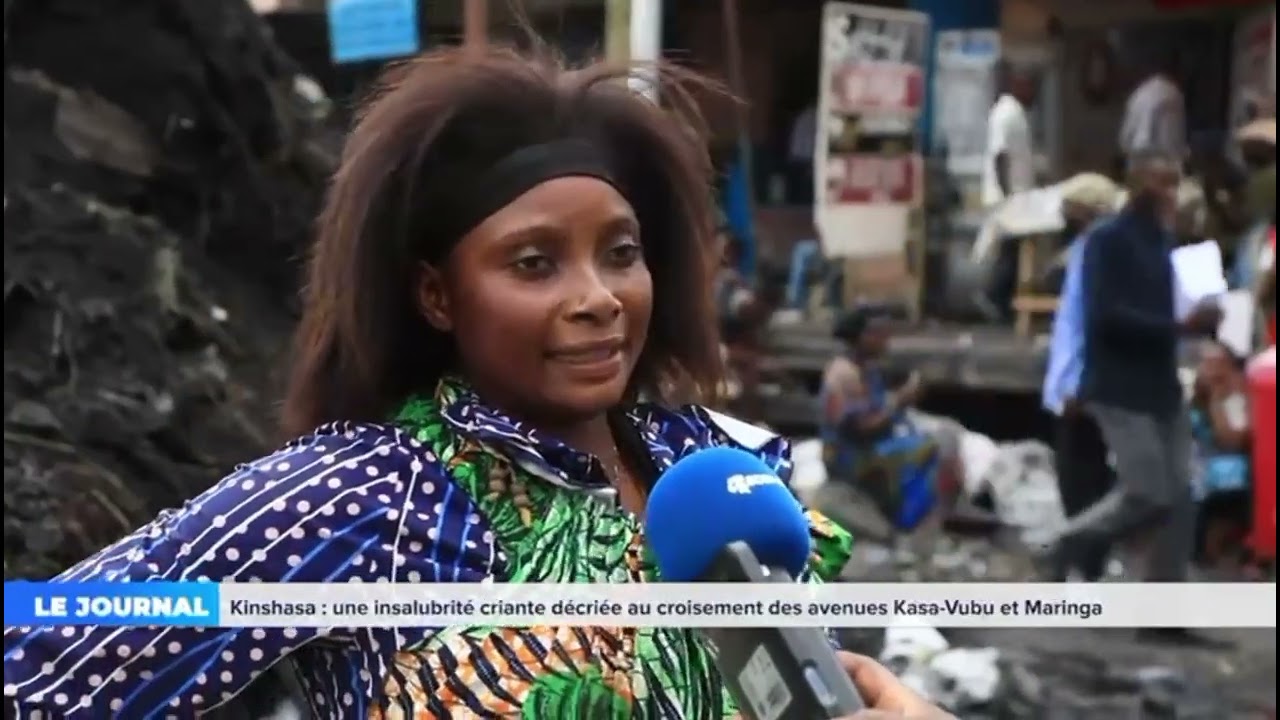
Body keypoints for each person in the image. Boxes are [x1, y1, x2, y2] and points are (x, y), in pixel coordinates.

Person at [2, 46, 954, 720]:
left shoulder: (716, 473)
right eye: (534, 263)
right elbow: (38, 671)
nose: (599, 299)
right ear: (437, 294)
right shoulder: (362, 499)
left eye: (621, 254)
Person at [1043, 151, 1223, 641]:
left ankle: (1163, 617)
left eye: (1174, 182)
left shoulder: (1163, 242)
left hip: (1160, 386)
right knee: (1147, 490)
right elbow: (1103, 317)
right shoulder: (1107, 241)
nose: (1170, 192)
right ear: (1138, 185)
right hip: (1118, 387)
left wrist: (1200, 322)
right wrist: (1176, 326)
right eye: (1161, 182)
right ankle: (1066, 542)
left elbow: (1170, 312)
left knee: (1181, 499)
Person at [1040, 173, 1122, 582]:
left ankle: (1080, 565)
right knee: (1084, 482)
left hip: (1082, 391)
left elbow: (1095, 327)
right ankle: (1082, 566)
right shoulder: (1089, 248)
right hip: (1077, 387)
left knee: (1081, 483)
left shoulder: (1100, 252)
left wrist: (1079, 385)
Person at [819, 308, 947, 534]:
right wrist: (900, 401)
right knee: (932, 451)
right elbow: (862, 427)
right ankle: (907, 523)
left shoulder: (868, 368)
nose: (884, 339)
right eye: (876, 333)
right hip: (849, 454)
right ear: (860, 336)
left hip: (868, 444)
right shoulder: (844, 373)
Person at [978, 63, 1039, 319]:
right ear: (1018, 85)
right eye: (1031, 88)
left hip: (1015, 194)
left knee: (1011, 251)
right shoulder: (1006, 113)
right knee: (1008, 253)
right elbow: (1000, 155)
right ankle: (994, 297)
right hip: (1007, 194)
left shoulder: (1016, 113)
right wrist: (1007, 195)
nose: (1034, 94)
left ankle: (1002, 301)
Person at [1189, 341, 1252, 575]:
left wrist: (1218, 400)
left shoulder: (1234, 397)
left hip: (1229, 472)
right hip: (1198, 473)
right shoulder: (1192, 401)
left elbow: (1232, 440)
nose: (1211, 372)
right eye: (1206, 365)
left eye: (1218, 365)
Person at [1118, 52, 1186, 165]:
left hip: (1138, 159)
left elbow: (1125, 140)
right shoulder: (1174, 94)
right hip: (1165, 161)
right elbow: (1177, 142)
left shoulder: (1137, 94)